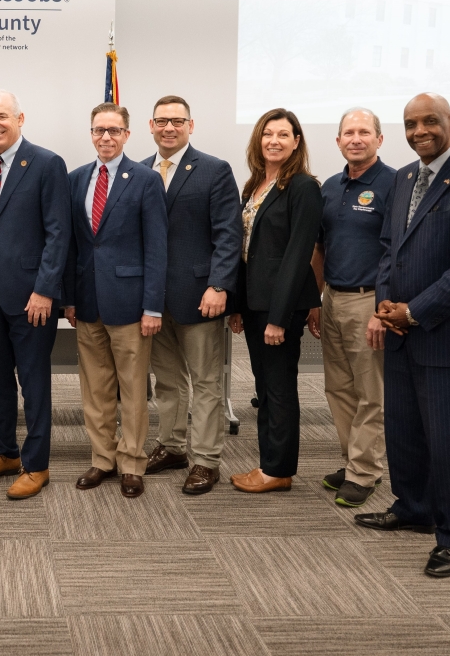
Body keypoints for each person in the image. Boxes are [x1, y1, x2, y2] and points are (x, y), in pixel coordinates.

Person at [356, 93, 450, 579]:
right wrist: (385, 304)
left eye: (430, 122)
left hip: (445, 336)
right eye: (410, 124)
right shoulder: (402, 178)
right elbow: (388, 249)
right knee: (404, 432)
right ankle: (414, 508)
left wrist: (413, 312)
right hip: (399, 333)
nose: (419, 131)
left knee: (448, 442)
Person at [0, 89, 71, 500]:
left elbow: (58, 233)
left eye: (2, 116)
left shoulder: (47, 163)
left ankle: (36, 464)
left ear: (20, 119)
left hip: (32, 298)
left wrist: (45, 290)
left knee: (34, 383)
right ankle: (4, 452)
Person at [63, 103, 167, 498]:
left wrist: (152, 306)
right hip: (87, 302)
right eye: (99, 130)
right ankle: (102, 458)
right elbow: (73, 246)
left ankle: (132, 463)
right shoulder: (76, 179)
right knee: (95, 389)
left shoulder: (145, 180)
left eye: (113, 130)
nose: (105, 137)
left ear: (126, 134)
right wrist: (69, 299)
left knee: (133, 389)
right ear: (91, 133)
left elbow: (156, 248)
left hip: (130, 305)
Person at [140, 96, 242, 496]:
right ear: (151, 126)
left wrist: (219, 285)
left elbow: (228, 234)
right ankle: (172, 446)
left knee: (206, 382)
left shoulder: (214, 170)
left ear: (190, 125)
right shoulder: (140, 170)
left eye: (177, 121)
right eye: (162, 121)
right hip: (154, 299)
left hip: (201, 295)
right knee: (167, 380)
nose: (169, 128)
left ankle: (206, 460)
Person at [229, 108, 322, 494]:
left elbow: (298, 256)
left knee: (279, 386)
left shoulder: (303, 187)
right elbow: (245, 250)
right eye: (268, 133)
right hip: (255, 304)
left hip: (279, 308)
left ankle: (278, 470)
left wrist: (279, 318)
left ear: (296, 142)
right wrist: (238, 305)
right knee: (264, 385)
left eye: (284, 135)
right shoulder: (255, 185)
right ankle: (269, 463)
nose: (274, 141)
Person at [307, 107, 396, 510]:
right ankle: (354, 461)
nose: (355, 139)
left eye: (364, 132)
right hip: (333, 298)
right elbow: (319, 248)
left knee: (370, 392)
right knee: (338, 388)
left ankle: (365, 471)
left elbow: (397, 253)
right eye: (348, 133)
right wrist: (316, 300)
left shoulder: (394, 184)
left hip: (369, 300)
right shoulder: (330, 186)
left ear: (379, 139)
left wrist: (382, 309)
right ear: (338, 141)